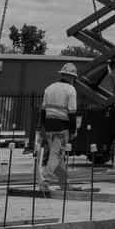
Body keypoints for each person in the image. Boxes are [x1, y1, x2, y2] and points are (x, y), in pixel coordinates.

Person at [40, 63, 80, 191]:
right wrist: (73, 130)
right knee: (56, 155)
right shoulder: (70, 90)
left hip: (49, 125)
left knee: (57, 155)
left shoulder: (49, 88)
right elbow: (72, 112)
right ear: (71, 77)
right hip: (62, 126)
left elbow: (42, 110)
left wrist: (42, 127)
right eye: (73, 77)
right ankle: (45, 180)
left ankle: (64, 183)